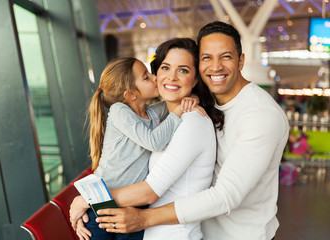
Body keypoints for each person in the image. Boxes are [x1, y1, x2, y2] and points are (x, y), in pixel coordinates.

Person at [94, 21, 290, 240]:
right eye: (207, 57)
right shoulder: (194, 109)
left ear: (241, 60)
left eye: (225, 56)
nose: (215, 67)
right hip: (197, 231)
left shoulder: (260, 114)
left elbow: (226, 196)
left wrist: (102, 202)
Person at [70, 38, 224, 240]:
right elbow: (166, 119)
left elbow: (150, 191)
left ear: (196, 79)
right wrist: (88, 201)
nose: (171, 77)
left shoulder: (190, 122)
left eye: (183, 70)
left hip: (161, 227)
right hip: (122, 211)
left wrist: (87, 200)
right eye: (165, 68)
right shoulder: (144, 113)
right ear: (131, 94)